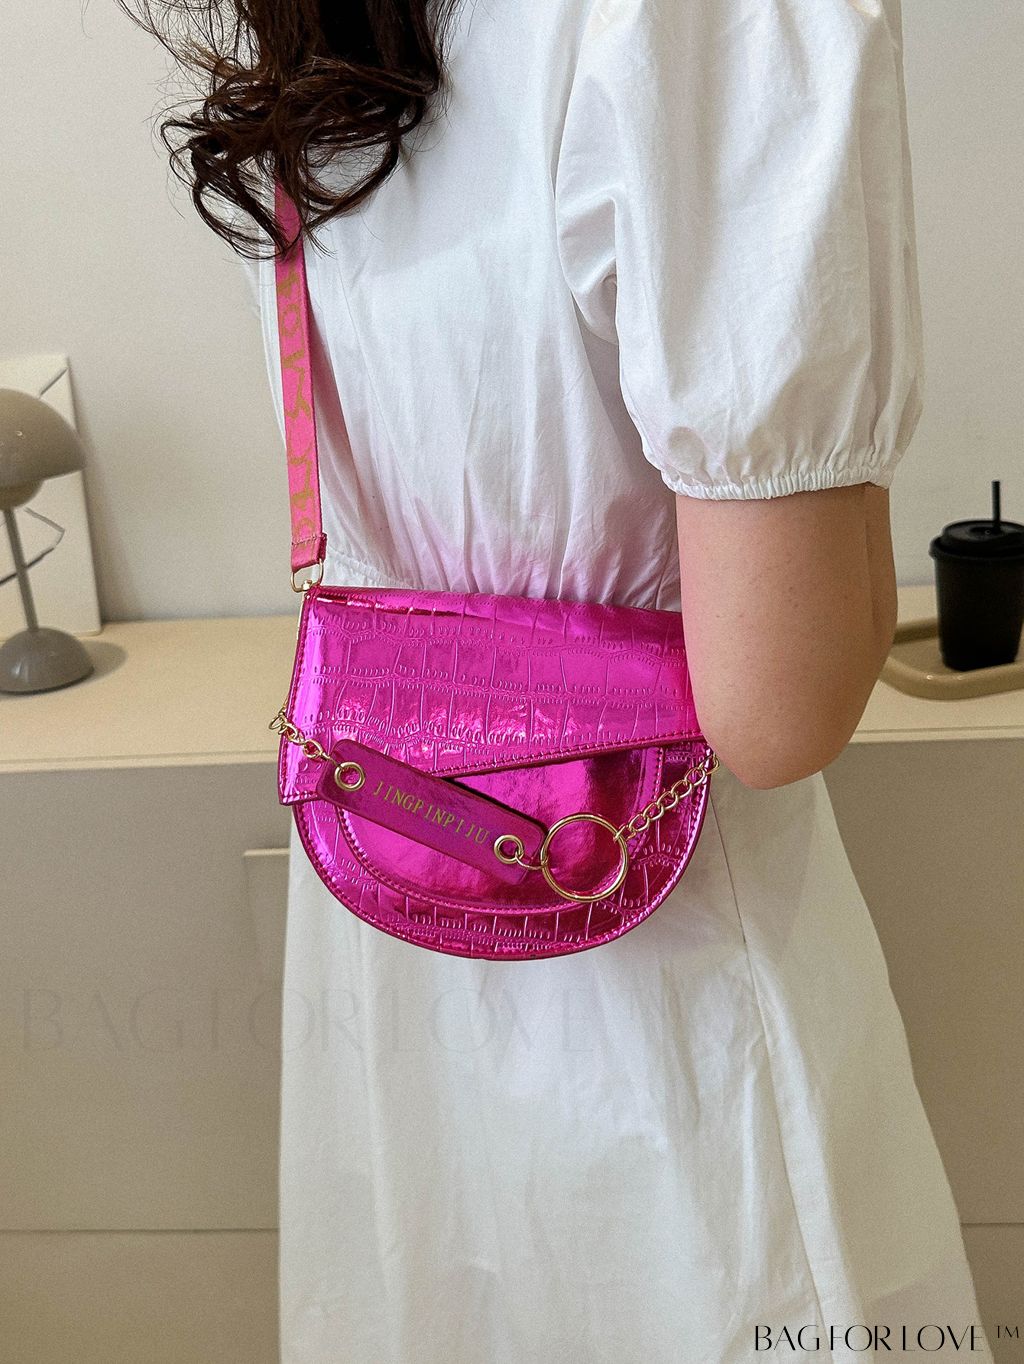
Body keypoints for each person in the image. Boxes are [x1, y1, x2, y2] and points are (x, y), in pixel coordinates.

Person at [123, 0, 993, 1359]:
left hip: (393, 960)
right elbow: (781, 709)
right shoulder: (714, 24)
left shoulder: (333, 32)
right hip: (670, 1007)